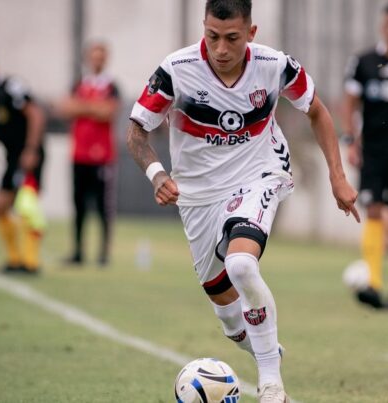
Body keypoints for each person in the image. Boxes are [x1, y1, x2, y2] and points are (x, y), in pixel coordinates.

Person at [126, 1, 359, 401]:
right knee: (232, 323)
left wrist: (337, 176)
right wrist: (158, 174)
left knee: (241, 264)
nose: (220, 49)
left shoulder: (275, 65)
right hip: (198, 195)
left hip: (259, 175)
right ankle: (266, 347)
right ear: (203, 27)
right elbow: (136, 132)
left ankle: (271, 384)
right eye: (212, 36)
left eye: (232, 38)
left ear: (251, 33)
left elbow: (318, 112)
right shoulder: (176, 70)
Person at [341, 3, 388, 310]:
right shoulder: (363, 62)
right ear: (382, 27)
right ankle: (373, 283)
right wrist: (350, 140)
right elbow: (350, 102)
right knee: (373, 209)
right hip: (373, 151)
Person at [0, 54, 46, 274]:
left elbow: (35, 114)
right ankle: (14, 260)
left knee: (27, 207)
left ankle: (31, 263)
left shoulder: (11, 85)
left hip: (27, 153)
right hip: (12, 157)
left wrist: (31, 149)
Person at [57, 41, 120, 267]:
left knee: (103, 206)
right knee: (79, 205)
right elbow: (65, 108)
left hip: (102, 156)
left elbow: (108, 112)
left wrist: (82, 107)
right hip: (79, 154)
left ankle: (103, 253)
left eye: (100, 57)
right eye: (94, 56)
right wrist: (93, 107)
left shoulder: (111, 86)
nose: (97, 61)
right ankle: (78, 251)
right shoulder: (79, 83)